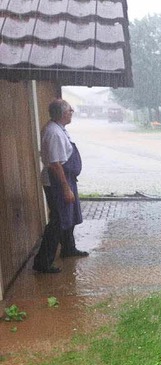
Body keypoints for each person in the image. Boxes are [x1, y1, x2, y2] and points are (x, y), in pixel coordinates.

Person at [32, 99, 88, 274]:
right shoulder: (54, 133)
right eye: (70, 110)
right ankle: (42, 262)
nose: (72, 112)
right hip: (58, 181)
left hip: (65, 178)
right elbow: (56, 164)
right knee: (57, 220)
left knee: (68, 217)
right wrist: (65, 188)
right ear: (63, 113)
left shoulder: (58, 128)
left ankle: (68, 248)